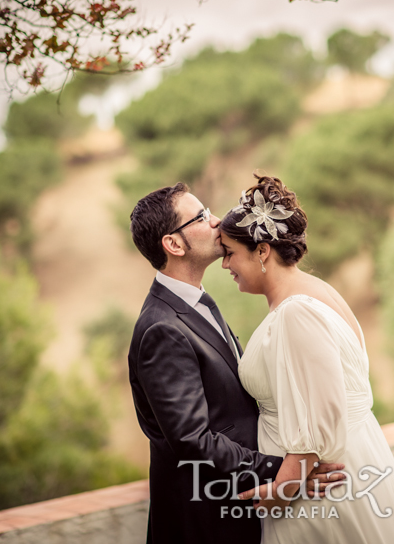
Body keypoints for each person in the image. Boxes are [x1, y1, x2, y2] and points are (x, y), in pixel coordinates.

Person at [127, 183, 344, 544]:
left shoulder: (198, 304)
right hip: (205, 522)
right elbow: (194, 439)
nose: (216, 222)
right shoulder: (161, 329)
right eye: (200, 217)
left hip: (237, 508)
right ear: (174, 245)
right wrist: (284, 471)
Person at [220, 175, 394, 543]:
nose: (225, 265)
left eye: (229, 252)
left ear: (262, 251)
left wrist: (282, 490)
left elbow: (319, 414)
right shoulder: (317, 291)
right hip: (338, 473)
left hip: (316, 494)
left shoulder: (296, 312)